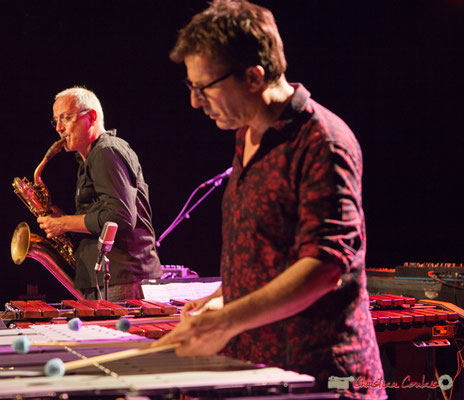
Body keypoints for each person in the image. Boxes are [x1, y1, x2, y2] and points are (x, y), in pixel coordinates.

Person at [155, 1, 386, 398]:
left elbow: (324, 266)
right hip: (261, 373)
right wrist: (222, 297)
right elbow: (270, 251)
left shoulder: (322, 141)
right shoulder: (246, 137)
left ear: (252, 76)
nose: (195, 102)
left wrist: (226, 320)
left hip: (324, 377)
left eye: (204, 87)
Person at [37, 87, 162, 301]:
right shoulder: (88, 158)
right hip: (108, 278)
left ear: (92, 117)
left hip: (121, 278)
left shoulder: (106, 152)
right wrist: (62, 219)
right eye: (55, 121)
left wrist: (65, 223)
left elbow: (120, 217)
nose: (59, 128)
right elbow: (103, 214)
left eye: (66, 118)